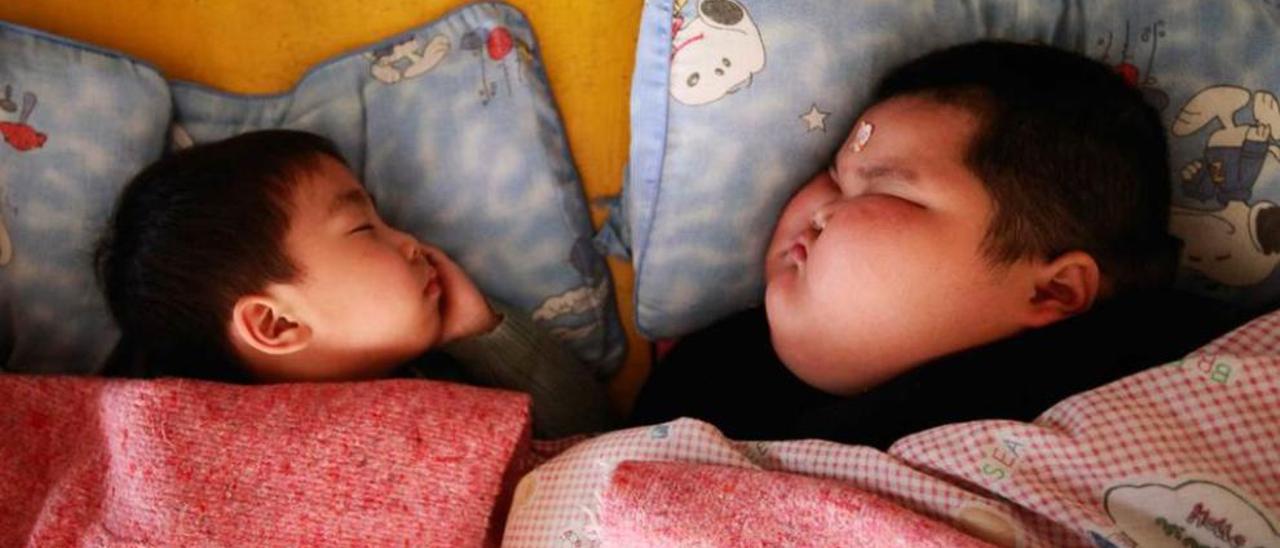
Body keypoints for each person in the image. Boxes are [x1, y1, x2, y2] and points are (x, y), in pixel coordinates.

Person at [630, 40, 1253, 448]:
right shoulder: (715, 384)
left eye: (891, 195)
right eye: (832, 177)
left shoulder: (1164, 379)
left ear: (1055, 289)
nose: (819, 208)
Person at [95, 129, 616, 438]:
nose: (411, 241)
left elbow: (594, 435)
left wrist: (482, 333)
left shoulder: (440, 375)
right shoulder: (230, 445)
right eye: (365, 229)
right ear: (275, 322)